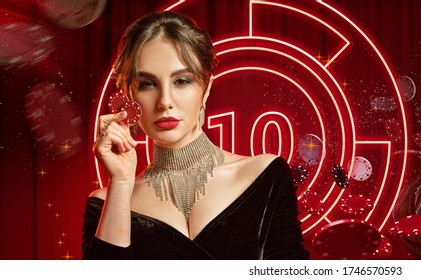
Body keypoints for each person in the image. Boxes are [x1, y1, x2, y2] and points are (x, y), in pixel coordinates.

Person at [82, 11, 309, 259]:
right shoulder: (106, 202)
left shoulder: (265, 175)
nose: (165, 102)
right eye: (148, 84)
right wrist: (121, 183)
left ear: (207, 87)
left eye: (181, 80)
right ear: (128, 95)